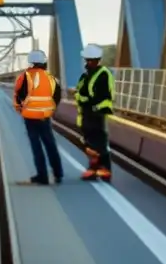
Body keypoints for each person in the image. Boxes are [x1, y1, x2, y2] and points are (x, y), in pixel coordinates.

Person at [13, 50, 64, 185]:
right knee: (50, 144)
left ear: (31, 63)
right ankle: (58, 174)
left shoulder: (24, 77)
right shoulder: (51, 78)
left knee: (36, 146)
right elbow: (57, 97)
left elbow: (18, 96)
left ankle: (42, 177)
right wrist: (50, 110)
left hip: (30, 117)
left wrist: (21, 110)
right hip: (44, 117)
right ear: (44, 62)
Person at [75, 44, 115, 182]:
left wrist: (86, 100)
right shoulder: (85, 75)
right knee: (89, 144)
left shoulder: (103, 74)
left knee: (100, 144)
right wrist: (84, 99)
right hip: (86, 115)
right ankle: (93, 169)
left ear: (96, 60)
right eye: (87, 59)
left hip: (97, 114)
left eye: (89, 59)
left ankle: (105, 170)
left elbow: (100, 96)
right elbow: (79, 93)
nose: (87, 62)